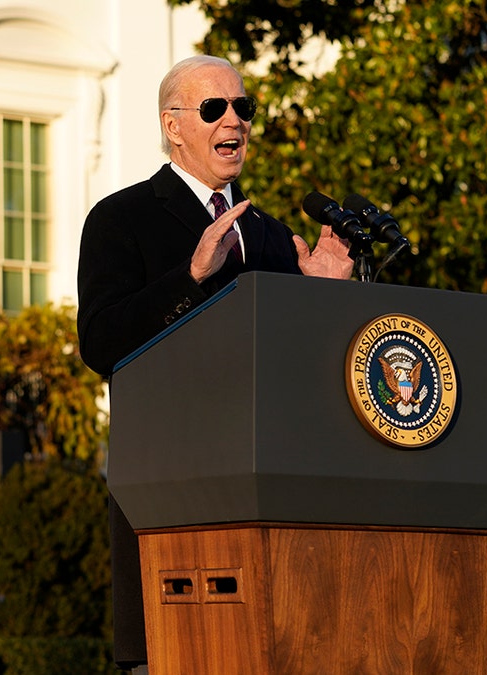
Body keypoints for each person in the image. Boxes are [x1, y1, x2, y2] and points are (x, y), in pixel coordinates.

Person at [75, 55, 354, 672]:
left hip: (274, 518)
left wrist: (328, 299)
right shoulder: (122, 218)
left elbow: (303, 375)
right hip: (174, 506)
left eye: (243, 107)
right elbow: (100, 342)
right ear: (173, 126)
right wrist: (193, 275)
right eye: (214, 108)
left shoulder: (276, 236)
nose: (236, 120)